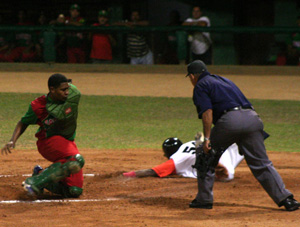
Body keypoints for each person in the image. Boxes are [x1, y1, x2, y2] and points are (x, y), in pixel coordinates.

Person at [185, 60, 300, 211]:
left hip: (230, 122)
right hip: (253, 119)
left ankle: (204, 199)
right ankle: (287, 199)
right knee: (261, 163)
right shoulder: (224, 80)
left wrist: (206, 139)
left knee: (204, 154)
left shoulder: (201, 85)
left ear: (193, 76)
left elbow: (207, 112)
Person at [1, 74, 85, 198]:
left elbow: (69, 88)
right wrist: (12, 140)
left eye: (67, 89)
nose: (66, 92)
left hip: (67, 142)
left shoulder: (72, 94)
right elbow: (23, 122)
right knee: (76, 159)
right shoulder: (38, 105)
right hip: (48, 141)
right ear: (52, 89)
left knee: (74, 191)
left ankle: (39, 173)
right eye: (63, 90)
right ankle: (33, 184)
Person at [123, 135, 244, 181]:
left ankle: (215, 164)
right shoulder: (190, 142)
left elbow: (152, 171)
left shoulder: (176, 159)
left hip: (223, 175)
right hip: (225, 153)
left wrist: (127, 174)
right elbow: (201, 136)